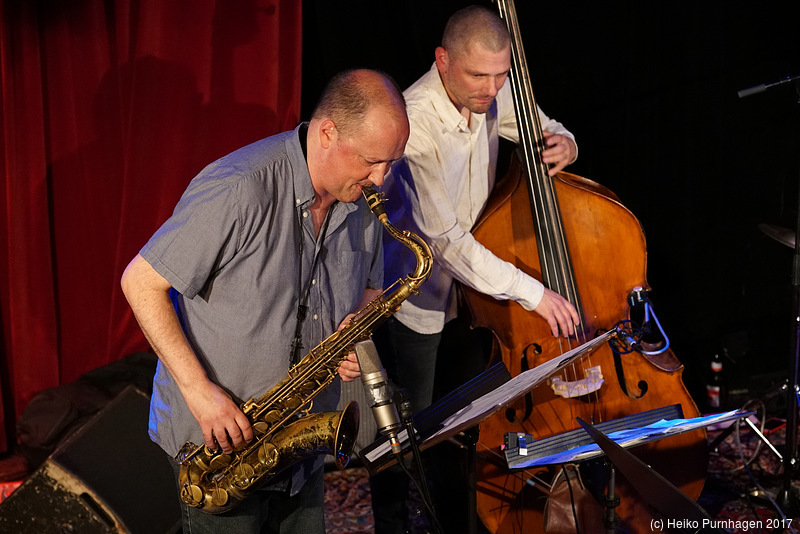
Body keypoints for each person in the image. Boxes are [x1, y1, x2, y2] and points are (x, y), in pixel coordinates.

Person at [120, 69, 409, 534]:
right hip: (220, 451)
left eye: (392, 161)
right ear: (327, 133)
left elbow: (370, 287)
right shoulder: (239, 187)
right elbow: (140, 282)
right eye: (372, 161)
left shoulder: (364, 201)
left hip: (302, 445)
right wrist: (199, 392)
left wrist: (356, 330)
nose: (382, 177)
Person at [369, 6, 581, 534]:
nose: (492, 88)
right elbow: (446, 242)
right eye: (478, 75)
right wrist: (534, 294)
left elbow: (538, 122)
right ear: (442, 61)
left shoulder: (491, 92)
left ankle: (458, 520)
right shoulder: (413, 120)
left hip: (472, 300)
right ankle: (393, 524)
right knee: (405, 434)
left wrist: (566, 141)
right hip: (413, 297)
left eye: (501, 74)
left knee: (462, 422)